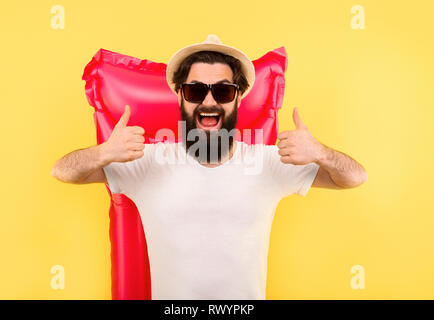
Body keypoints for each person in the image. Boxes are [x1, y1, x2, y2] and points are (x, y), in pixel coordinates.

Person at [51, 34, 368, 299]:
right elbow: (63, 171)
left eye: (223, 90)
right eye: (195, 90)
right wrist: (104, 151)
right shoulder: (146, 163)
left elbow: (354, 177)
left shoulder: (268, 162)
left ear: (238, 98)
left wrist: (320, 153)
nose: (209, 101)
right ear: (180, 96)